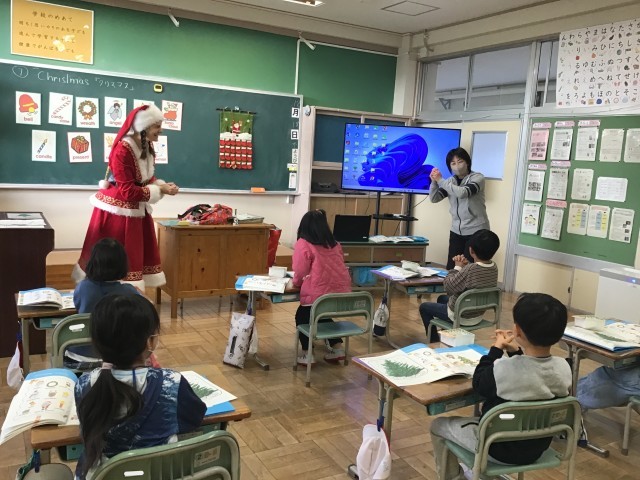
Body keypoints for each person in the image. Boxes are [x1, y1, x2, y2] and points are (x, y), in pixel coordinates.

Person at [430, 293, 572, 480]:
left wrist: (496, 349)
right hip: (537, 447)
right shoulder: (565, 368)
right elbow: (534, 375)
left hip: (496, 447)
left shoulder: (504, 369)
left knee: (438, 425)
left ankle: (455, 477)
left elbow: (479, 383)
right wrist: (516, 353)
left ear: (517, 331)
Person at [75, 294, 205, 480]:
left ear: (96, 342)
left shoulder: (84, 385)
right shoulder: (171, 383)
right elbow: (194, 419)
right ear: (150, 342)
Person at [73, 104, 180, 290]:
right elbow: (128, 192)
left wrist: (161, 186)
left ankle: (129, 296)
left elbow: (146, 178)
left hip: (135, 211)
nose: (161, 130)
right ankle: (102, 296)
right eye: (157, 126)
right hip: (116, 215)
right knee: (113, 263)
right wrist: (159, 189)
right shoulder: (122, 150)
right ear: (144, 127)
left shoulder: (147, 146)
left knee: (133, 258)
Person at [292, 209, 352, 366]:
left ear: (303, 227)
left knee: (302, 316)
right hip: (341, 295)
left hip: (319, 294)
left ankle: (308, 354)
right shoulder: (335, 244)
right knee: (321, 313)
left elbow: (300, 272)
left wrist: (296, 283)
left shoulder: (303, 244)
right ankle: (337, 348)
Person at [419, 229, 499, 343]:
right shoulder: (494, 267)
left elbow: (448, 286)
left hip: (462, 316)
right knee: (442, 298)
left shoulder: (470, 269)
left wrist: (457, 267)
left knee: (424, 307)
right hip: (478, 313)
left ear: (471, 250)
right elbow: (476, 274)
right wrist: (465, 266)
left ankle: (434, 342)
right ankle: (448, 337)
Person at [429, 147, 490, 269]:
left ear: (467, 162)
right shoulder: (450, 182)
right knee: (452, 267)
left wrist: (440, 180)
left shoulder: (478, 178)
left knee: (469, 269)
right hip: (456, 231)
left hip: (476, 231)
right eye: (453, 163)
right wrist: (434, 182)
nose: (457, 166)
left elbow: (463, 193)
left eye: (460, 161)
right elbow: (434, 198)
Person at [73, 237, 139, 314]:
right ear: (122, 264)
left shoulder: (83, 287)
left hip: (90, 322)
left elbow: (78, 306)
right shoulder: (129, 292)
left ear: (92, 262)